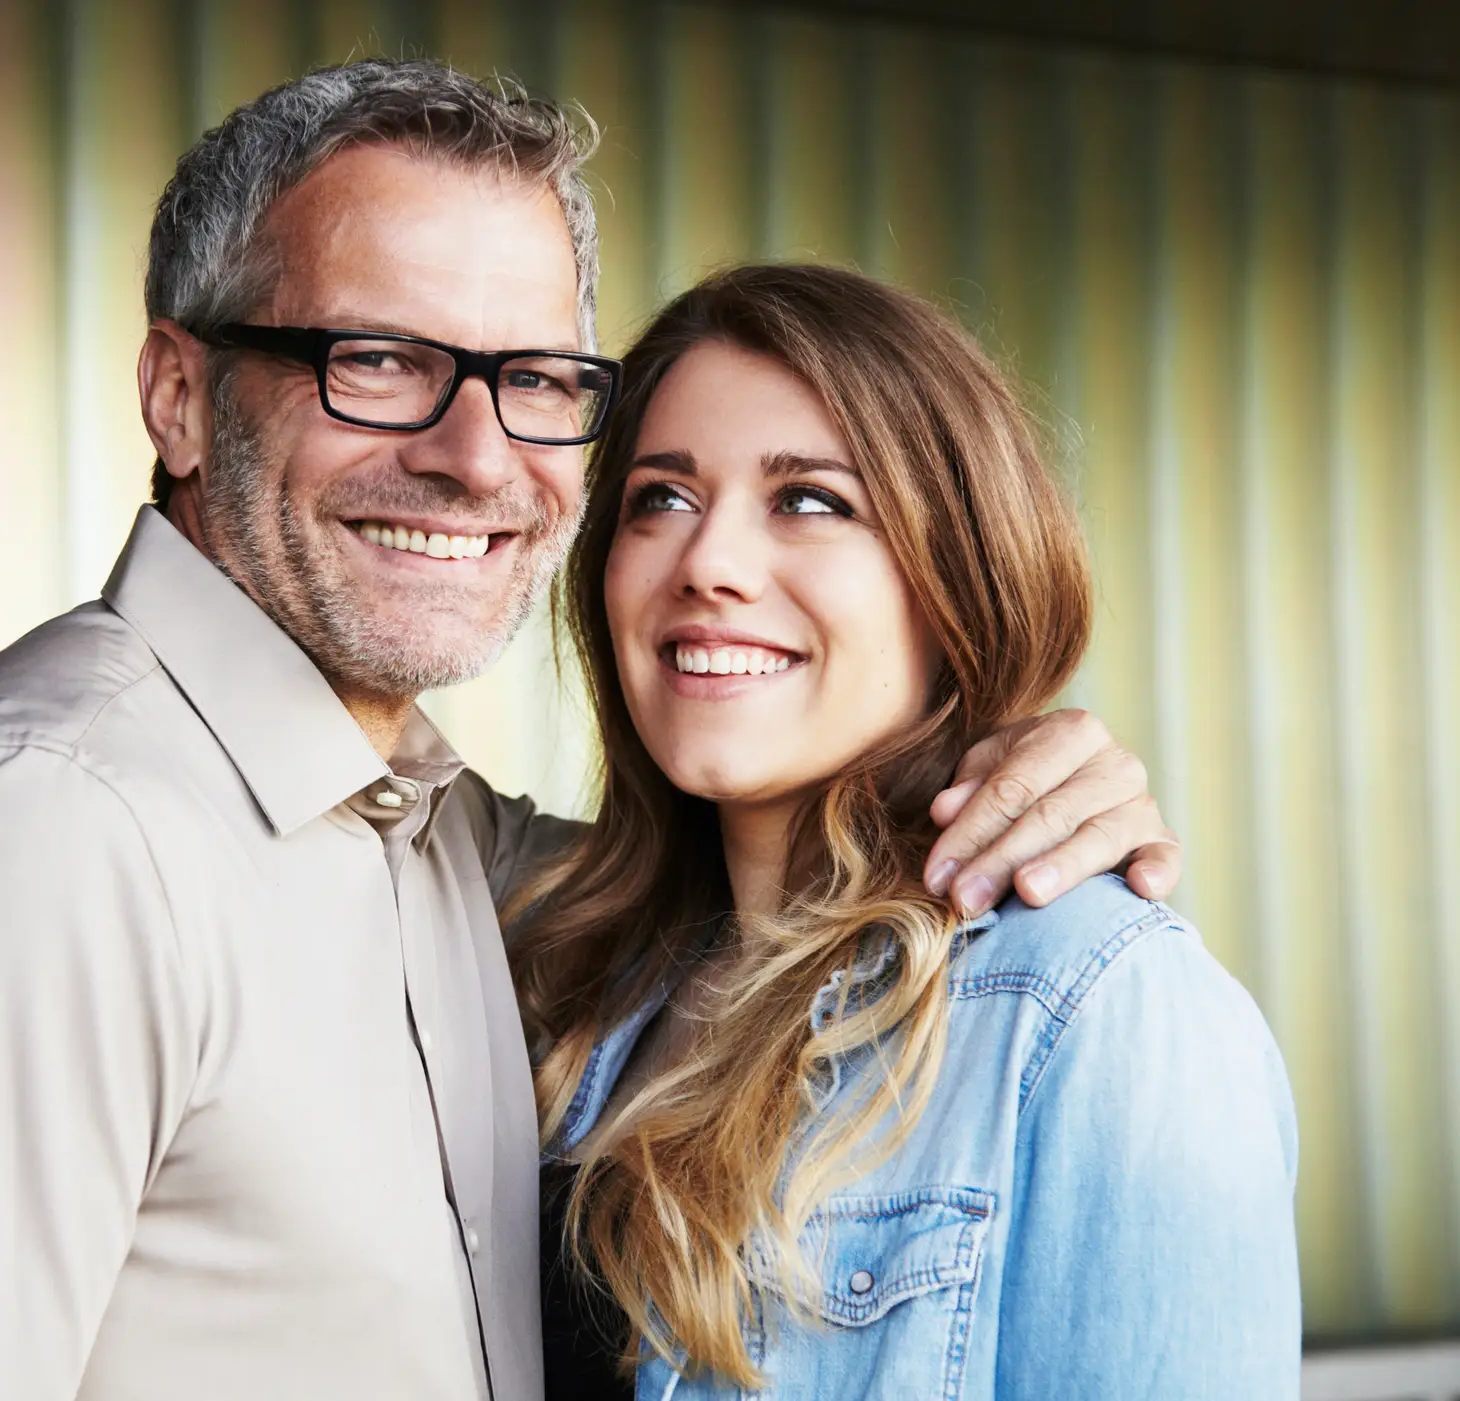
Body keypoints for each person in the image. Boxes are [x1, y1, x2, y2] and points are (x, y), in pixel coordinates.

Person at [0, 63, 1184, 1401]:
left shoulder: (457, 855)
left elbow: (759, 882)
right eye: (381, 360)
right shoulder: (46, 838)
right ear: (180, 396)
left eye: (532, 381)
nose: (474, 458)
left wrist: (1023, 765)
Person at [519, 264, 1297, 1401]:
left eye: (810, 500)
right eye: (661, 498)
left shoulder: (1095, 1007)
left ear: (957, 577)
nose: (708, 565)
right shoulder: (572, 971)